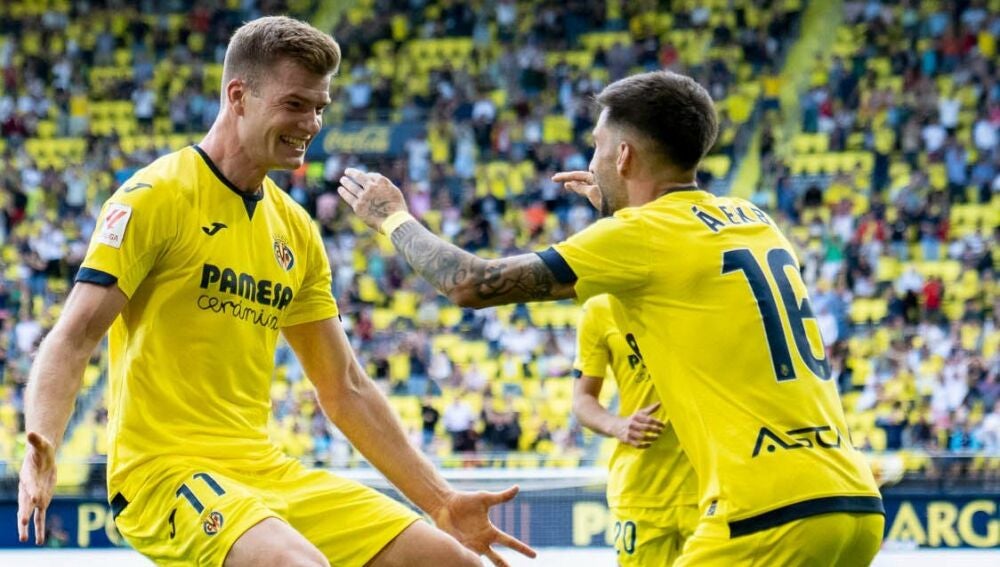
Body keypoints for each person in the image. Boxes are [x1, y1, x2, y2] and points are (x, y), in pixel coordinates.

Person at [17, 16, 534, 567]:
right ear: (238, 96)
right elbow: (73, 338)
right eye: (294, 104)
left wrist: (443, 501)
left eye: (320, 108)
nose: (311, 123)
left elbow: (345, 388)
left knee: (448, 560)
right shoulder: (155, 197)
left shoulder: (295, 229)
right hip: (162, 473)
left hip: (262, 473)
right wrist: (42, 441)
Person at [339, 70, 885, 565]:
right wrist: (618, 206)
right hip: (852, 503)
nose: (593, 160)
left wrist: (393, 220)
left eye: (598, 147)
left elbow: (470, 284)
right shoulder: (752, 217)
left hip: (764, 513)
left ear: (623, 156)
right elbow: (672, 263)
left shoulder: (641, 236)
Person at [572, 294, 697, 565]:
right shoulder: (598, 308)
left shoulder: (698, 294)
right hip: (641, 491)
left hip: (708, 488)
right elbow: (582, 400)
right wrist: (618, 425)